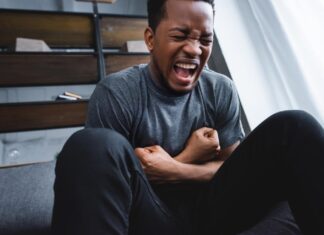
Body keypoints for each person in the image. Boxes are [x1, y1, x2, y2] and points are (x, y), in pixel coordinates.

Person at [51, 0, 324, 234]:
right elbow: (108, 182)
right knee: (90, 146)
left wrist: (174, 168)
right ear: (150, 39)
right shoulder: (117, 93)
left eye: (205, 39)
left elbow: (229, 167)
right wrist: (190, 156)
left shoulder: (220, 89)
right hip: (148, 218)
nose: (195, 49)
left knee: (295, 126)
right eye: (180, 36)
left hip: (213, 212)